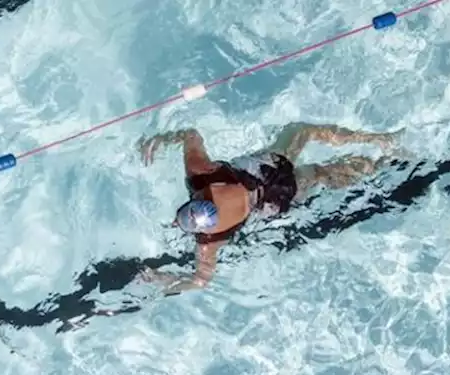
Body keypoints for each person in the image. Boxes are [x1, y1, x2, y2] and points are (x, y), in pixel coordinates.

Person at [135, 123, 404, 292]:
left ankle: (381, 164)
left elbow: (200, 281)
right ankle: (380, 140)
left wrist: (167, 280)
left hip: (278, 199)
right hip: (269, 168)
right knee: (303, 132)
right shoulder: (201, 175)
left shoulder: (209, 241)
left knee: (321, 173)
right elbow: (191, 135)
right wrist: (165, 138)